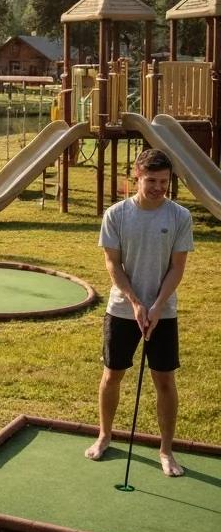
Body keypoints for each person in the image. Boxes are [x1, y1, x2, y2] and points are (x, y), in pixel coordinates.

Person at [84, 149, 194, 477]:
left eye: (163, 181)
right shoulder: (116, 214)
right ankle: (104, 435)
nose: (158, 187)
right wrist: (134, 302)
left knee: (164, 379)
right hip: (121, 309)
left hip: (165, 311)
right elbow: (112, 264)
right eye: (151, 180)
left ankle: (166, 450)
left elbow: (177, 268)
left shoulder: (179, 217)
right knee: (112, 374)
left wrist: (158, 306)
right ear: (136, 175)